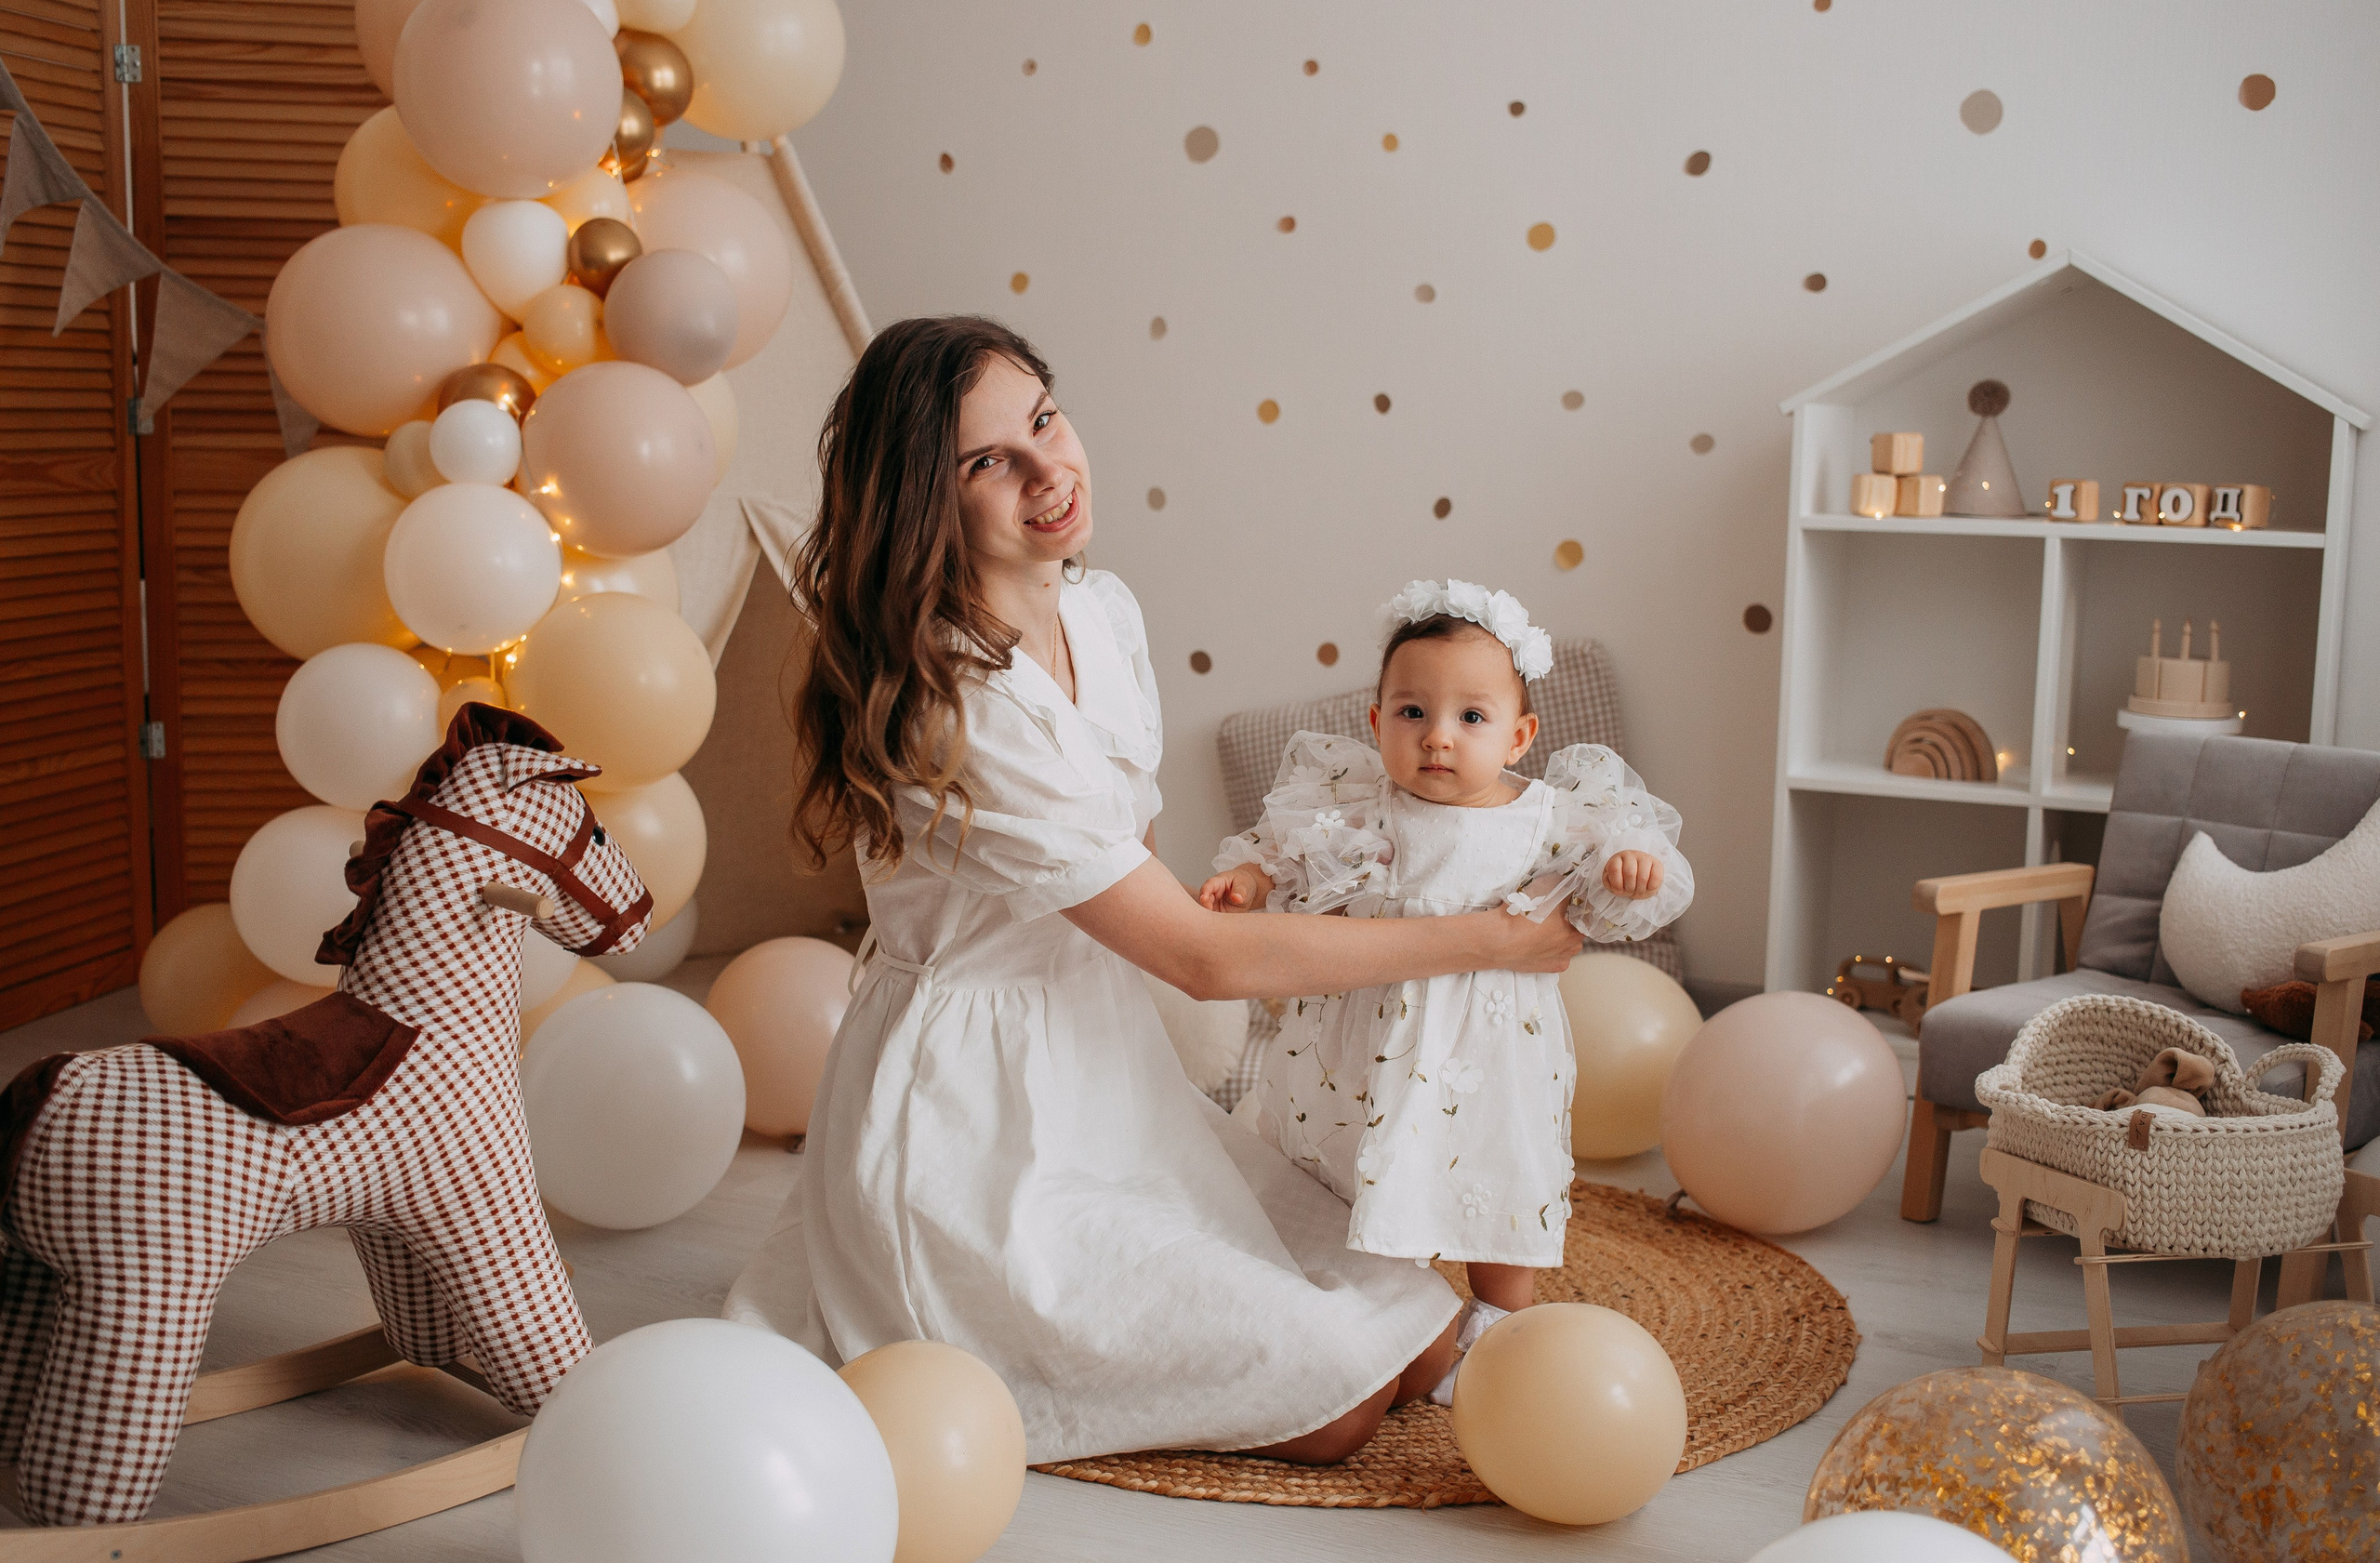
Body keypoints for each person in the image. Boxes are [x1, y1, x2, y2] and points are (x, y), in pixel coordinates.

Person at [722, 316, 1583, 1464]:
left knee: (1410, 1331)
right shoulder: (955, 702)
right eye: (989, 463)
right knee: (1333, 1409)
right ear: (926, 502)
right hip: (973, 1114)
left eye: (1043, 422)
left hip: (1101, 1055)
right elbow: (1195, 957)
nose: (1047, 473)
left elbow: (1143, 867)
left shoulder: (1100, 610)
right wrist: (1485, 938)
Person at [1199, 579, 1692, 1386]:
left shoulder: (1547, 816)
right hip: (1366, 1033)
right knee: (1363, 1162)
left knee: (1493, 1176)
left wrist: (1627, 863)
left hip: (1487, 1045)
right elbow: (1289, 858)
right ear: (1375, 720)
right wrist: (1250, 882)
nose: (1437, 737)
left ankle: (1504, 1329)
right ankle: (1378, 1298)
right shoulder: (1362, 804)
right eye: (1412, 712)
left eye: (1471, 716)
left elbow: (1612, 869)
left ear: (1520, 734)